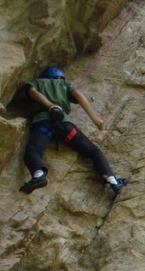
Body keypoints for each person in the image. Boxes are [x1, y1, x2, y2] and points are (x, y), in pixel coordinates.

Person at [19, 66, 128, 196]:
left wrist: (50, 106)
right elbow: (78, 95)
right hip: (66, 127)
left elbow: (31, 92)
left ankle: (39, 175)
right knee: (94, 152)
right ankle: (113, 181)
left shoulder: (37, 82)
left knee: (33, 151)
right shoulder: (65, 84)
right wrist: (94, 118)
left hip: (44, 123)